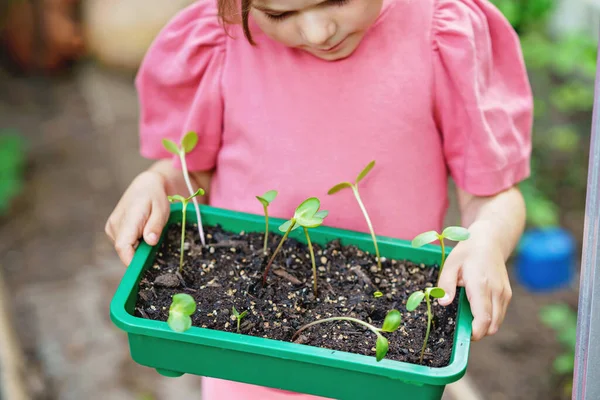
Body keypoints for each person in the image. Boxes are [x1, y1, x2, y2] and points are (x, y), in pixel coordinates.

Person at [105, 0, 533, 398]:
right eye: (278, 13)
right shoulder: (226, 36)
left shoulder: (441, 33)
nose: (317, 31)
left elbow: (494, 195)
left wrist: (488, 238)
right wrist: (157, 182)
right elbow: (188, 172)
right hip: (244, 359)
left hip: (387, 366)